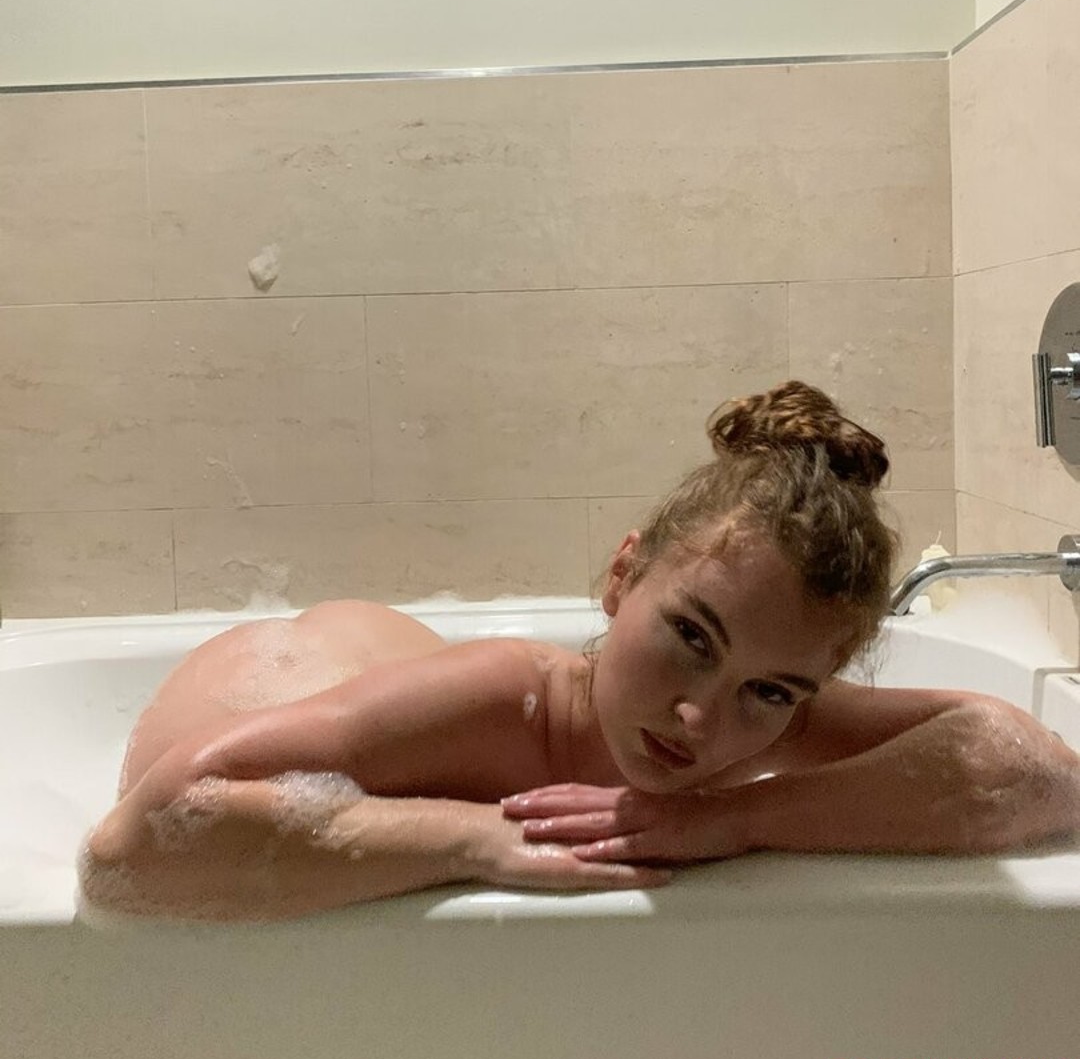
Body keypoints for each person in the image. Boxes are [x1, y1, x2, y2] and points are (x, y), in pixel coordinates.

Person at [78, 382, 1080, 922]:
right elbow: (138, 843)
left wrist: (735, 819)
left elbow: (1039, 772)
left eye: (772, 690)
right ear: (621, 577)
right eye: (690, 635)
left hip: (380, 669)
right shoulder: (508, 693)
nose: (702, 717)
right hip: (252, 684)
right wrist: (473, 839)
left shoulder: (761, 727)